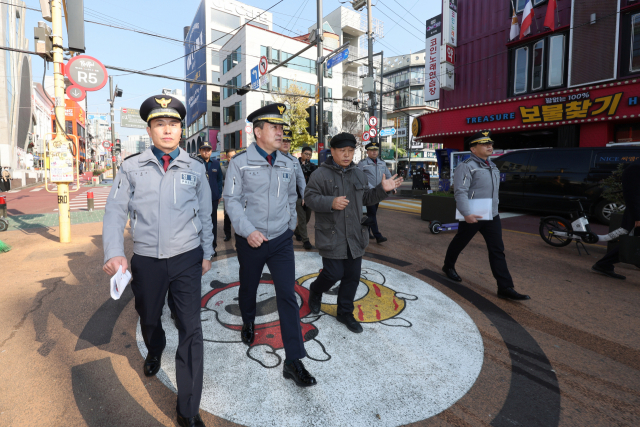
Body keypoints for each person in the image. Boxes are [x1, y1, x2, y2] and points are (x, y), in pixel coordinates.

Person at [102, 95, 213, 427]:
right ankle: (155, 347)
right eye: (160, 124)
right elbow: (114, 211)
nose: (168, 130)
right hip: (147, 259)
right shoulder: (131, 167)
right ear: (149, 130)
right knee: (148, 316)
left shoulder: (196, 167)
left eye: (174, 124)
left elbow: (205, 213)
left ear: (182, 130)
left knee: (191, 328)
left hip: (186, 258)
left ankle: (188, 409)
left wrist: (207, 252)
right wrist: (113, 252)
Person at [223, 103, 317, 387]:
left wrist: (290, 226)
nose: (281, 132)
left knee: (287, 295)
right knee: (248, 286)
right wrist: (247, 230)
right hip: (250, 240)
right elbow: (231, 201)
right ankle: (249, 320)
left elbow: (291, 198)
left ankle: (293, 360)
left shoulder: (288, 163)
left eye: (281, 127)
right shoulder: (239, 163)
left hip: (280, 241)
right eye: (274, 127)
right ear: (258, 131)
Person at [305, 133, 403, 333]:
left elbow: (366, 198)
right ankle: (316, 290)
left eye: (350, 151)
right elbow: (309, 198)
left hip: (355, 235)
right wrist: (330, 202)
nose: (347, 155)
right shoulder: (320, 174)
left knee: (352, 276)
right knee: (333, 273)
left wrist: (382, 189)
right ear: (332, 151)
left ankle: (345, 313)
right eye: (343, 151)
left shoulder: (358, 173)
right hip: (331, 234)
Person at [442, 131, 530, 301]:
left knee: (497, 250)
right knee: (460, 242)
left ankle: (505, 287)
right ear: (473, 149)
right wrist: (466, 213)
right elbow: (460, 191)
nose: (490, 146)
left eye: (490, 143)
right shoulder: (466, 166)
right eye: (484, 144)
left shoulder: (493, 166)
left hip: (492, 215)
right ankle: (448, 266)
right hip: (473, 213)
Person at [592, 157, 640, 279]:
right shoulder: (635, 168)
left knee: (632, 242)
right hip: (637, 213)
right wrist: (637, 217)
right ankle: (603, 264)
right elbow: (631, 194)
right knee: (633, 242)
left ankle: (603, 264)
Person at [279, 128, 311, 249]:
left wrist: (304, 196)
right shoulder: (273, 159)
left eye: (288, 141)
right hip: (277, 199)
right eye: (283, 140)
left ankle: (287, 242)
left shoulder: (293, 161)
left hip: (291, 199)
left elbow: (300, 179)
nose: (286, 143)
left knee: (292, 222)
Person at [357, 141, 392, 243]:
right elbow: (359, 178)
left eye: (376, 150)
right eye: (371, 150)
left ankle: (366, 232)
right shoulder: (362, 164)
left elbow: (388, 175)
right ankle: (378, 236)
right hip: (368, 193)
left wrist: (392, 186)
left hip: (379, 193)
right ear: (367, 152)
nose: (374, 152)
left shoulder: (382, 163)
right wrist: (372, 188)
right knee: (372, 213)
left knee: (371, 213)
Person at [197, 142, 223, 256]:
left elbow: (219, 180)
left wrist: (219, 194)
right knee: (199, 222)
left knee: (212, 223)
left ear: (211, 151)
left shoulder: (216, 164)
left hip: (213, 199)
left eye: (208, 150)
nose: (206, 152)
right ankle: (199, 248)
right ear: (200, 151)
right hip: (198, 199)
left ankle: (212, 247)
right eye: (204, 150)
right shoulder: (196, 163)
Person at [295, 146, 317, 249]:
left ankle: (297, 231)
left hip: (309, 196)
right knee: (302, 218)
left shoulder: (312, 166)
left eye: (309, 154)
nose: (308, 156)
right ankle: (306, 240)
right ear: (301, 154)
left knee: (308, 217)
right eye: (306, 154)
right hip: (298, 196)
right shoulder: (295, 164)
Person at [221, 148, 236, 242]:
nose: (231, 158)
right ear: (226, 157)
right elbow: (220, 180)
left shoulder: (240, 166)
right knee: (227, 216)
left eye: (233, 156)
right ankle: (227, 234)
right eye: (229, 157)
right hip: (228, 195)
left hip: (240, 196)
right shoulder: (222, 168)